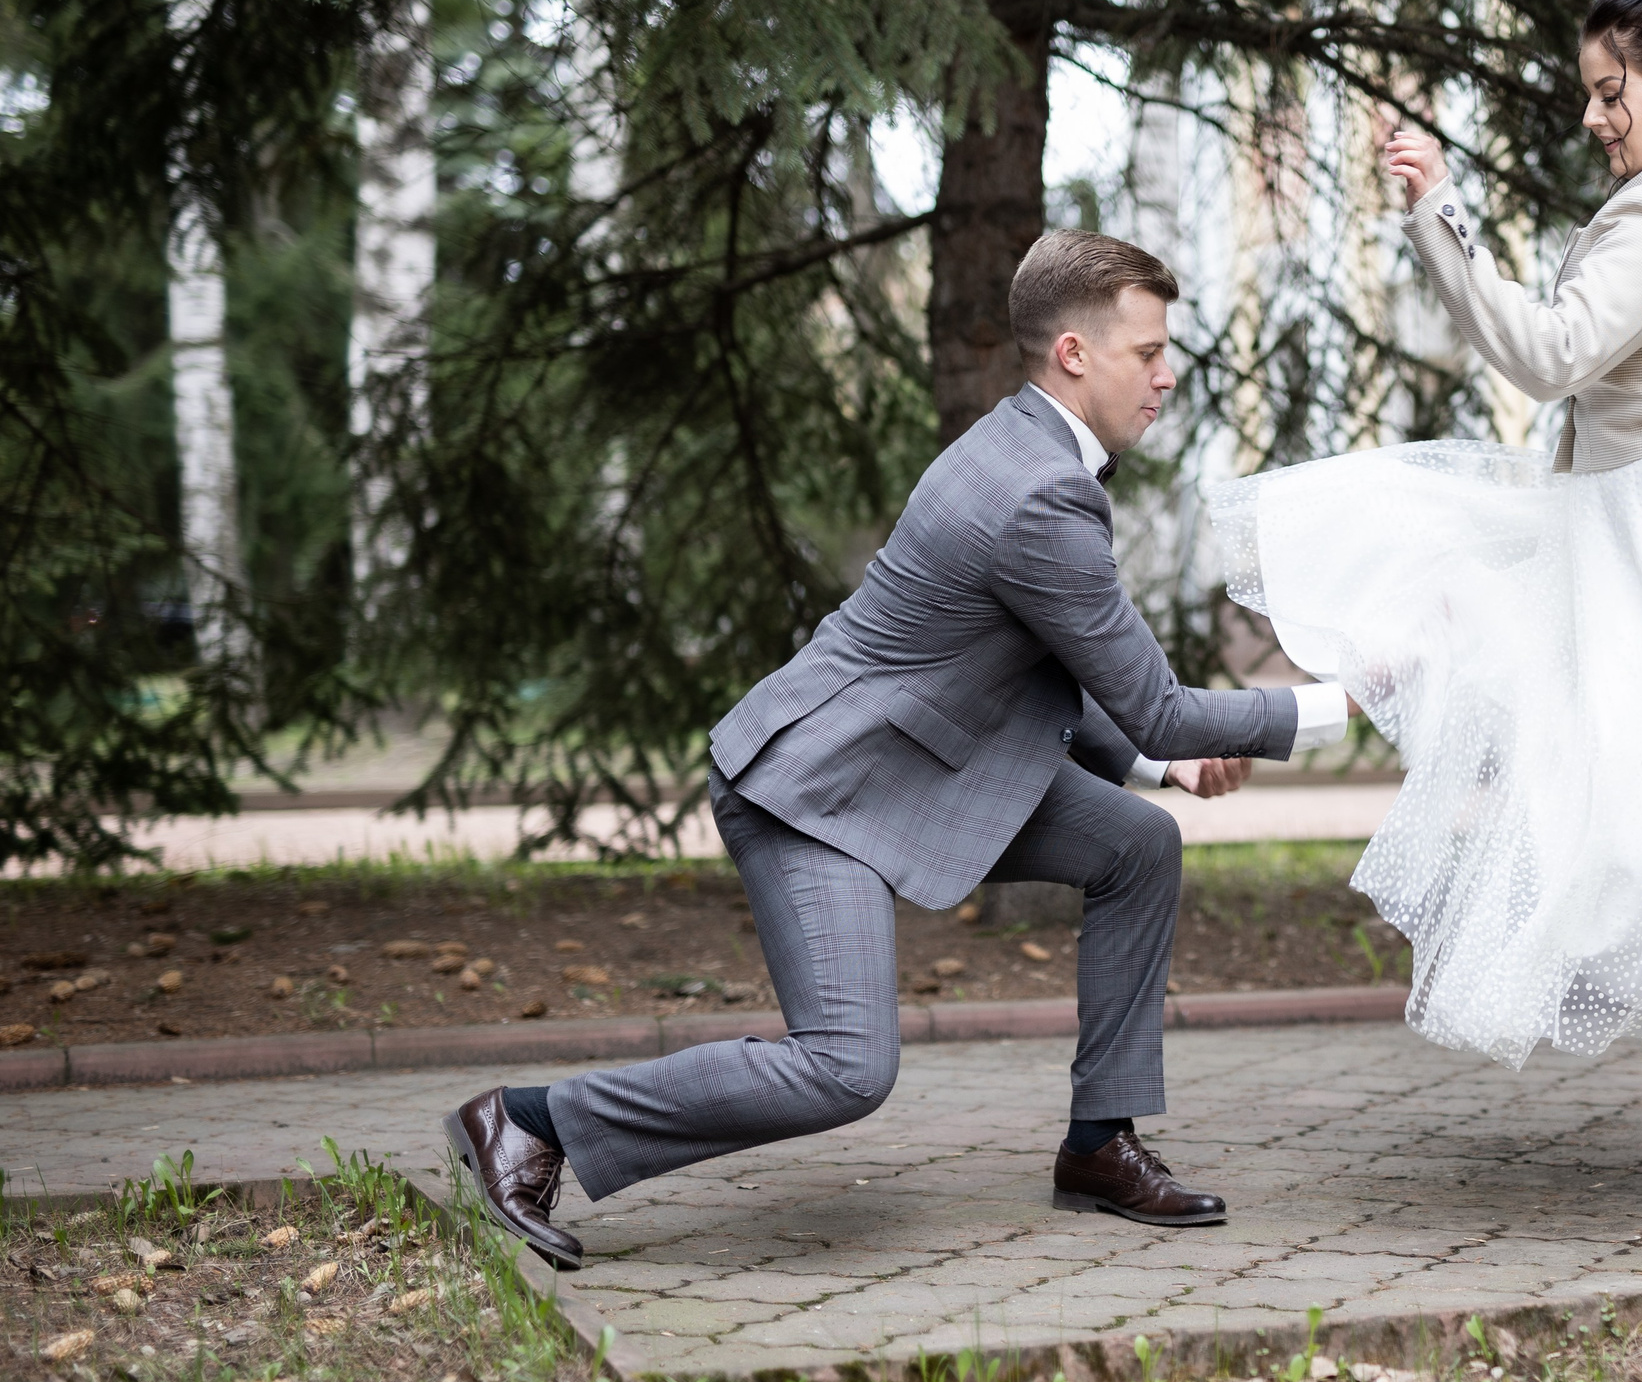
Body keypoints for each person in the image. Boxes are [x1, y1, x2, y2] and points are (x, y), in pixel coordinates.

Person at [443, 231, 1349, 1269]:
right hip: (813, 787)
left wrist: (1155, 766)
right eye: (1146, 351)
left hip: (914, 766)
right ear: (1072, 353)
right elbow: (1158, 707)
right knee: (843, 1067)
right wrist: (1341, 702)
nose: (1166, 370)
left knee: (1135, 847)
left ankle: (1101, 1143)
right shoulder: (1038, 493)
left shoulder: (1023, 448)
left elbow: (1045, 669)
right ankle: (527, 1120)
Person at [1211, 0, 1642, 1237]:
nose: (1593, 116)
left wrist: (1441, 216)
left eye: (1611, 92)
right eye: (1590, 92)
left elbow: (1550, 353)